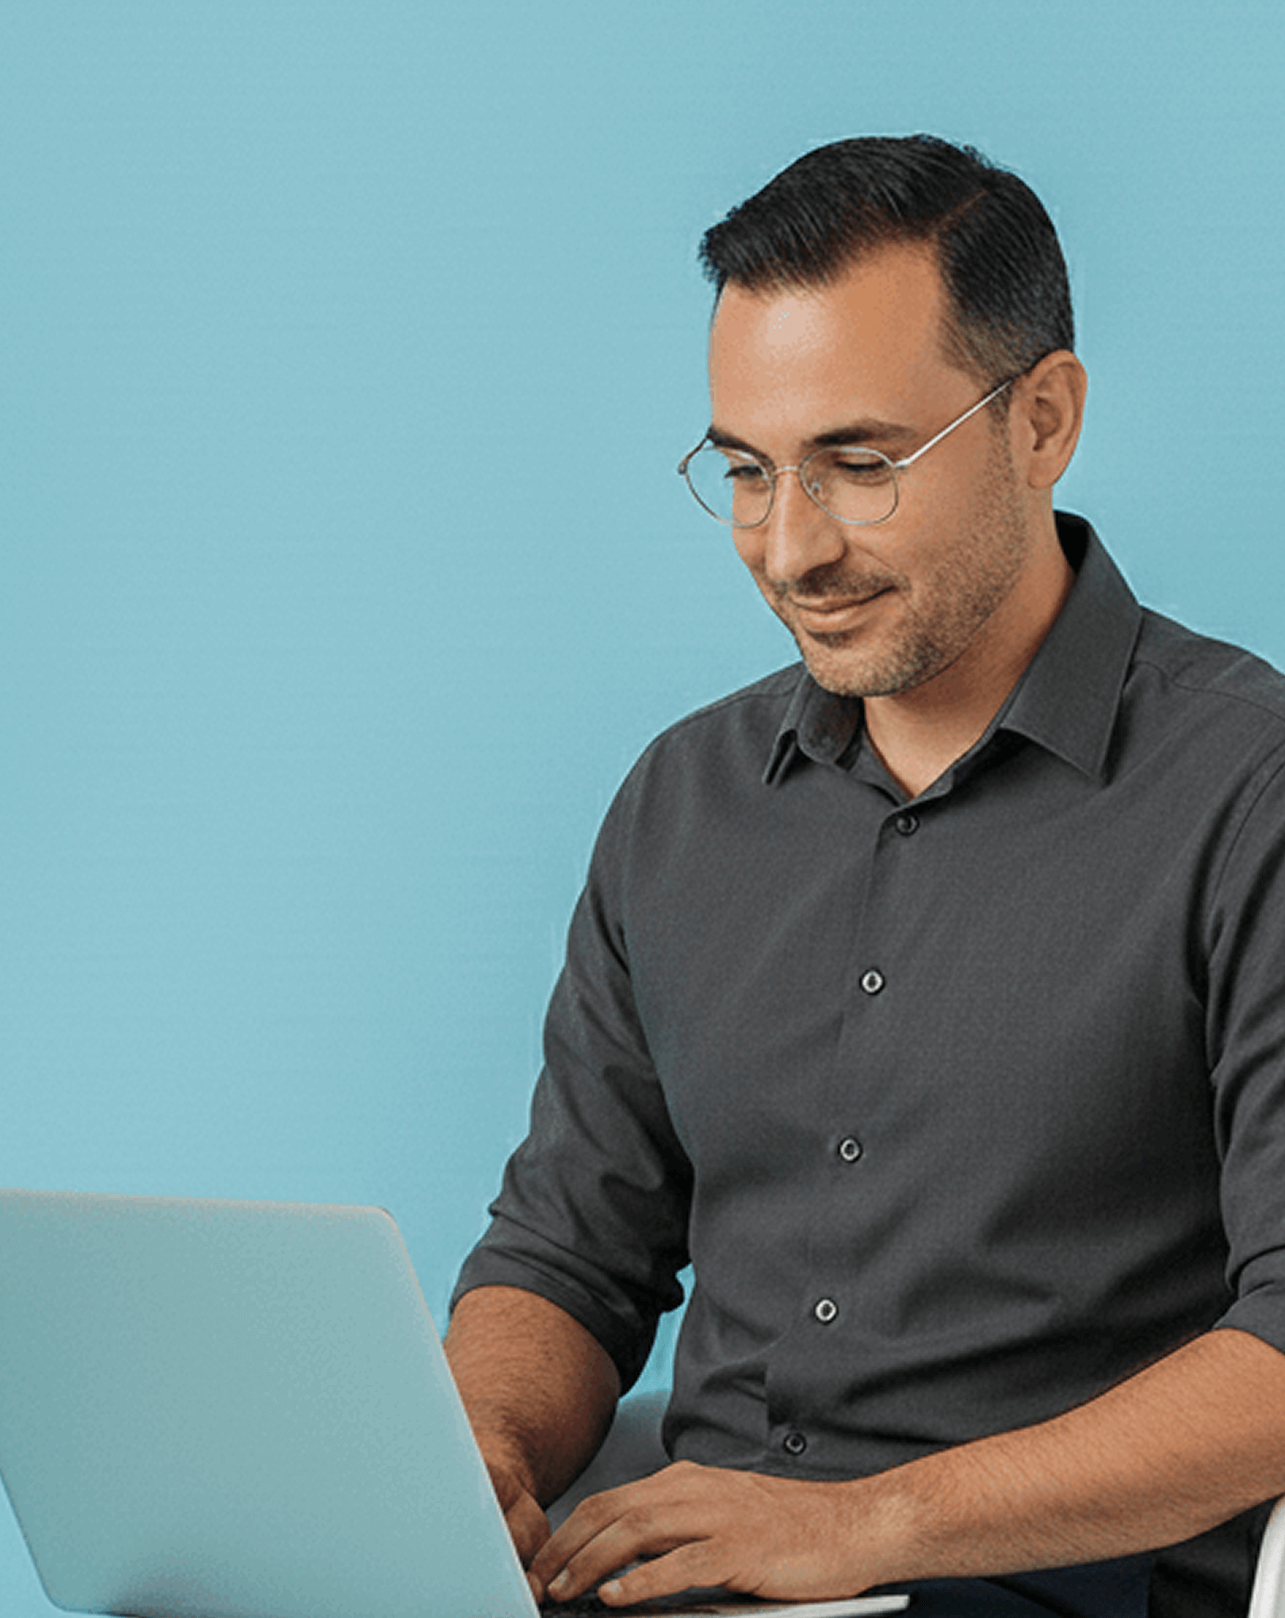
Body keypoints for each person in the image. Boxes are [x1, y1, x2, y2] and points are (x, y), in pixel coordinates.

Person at [443, 135, 1285, 1617]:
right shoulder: (680, 803)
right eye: (748, 471)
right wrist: (475, 1453)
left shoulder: (1248, 792)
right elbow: (567, 1253)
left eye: (859, 462)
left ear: (1045, 419)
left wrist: (866, 1525)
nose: (789, 546)